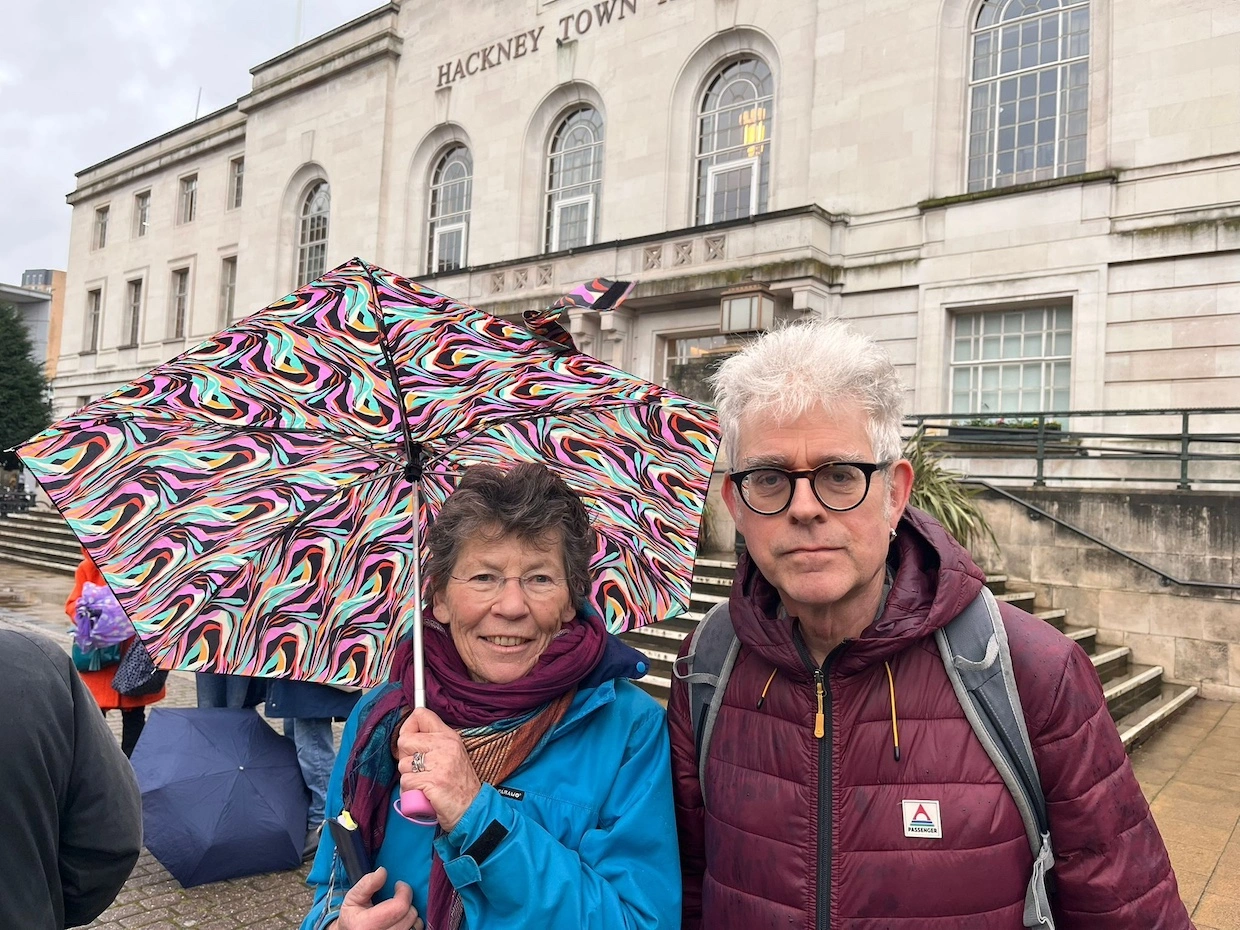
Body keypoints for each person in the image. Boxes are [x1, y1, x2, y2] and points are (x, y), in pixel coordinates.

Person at [668, 319, 1192, 929]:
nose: (804, 508)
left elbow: (1127, 908)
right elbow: (686, 893)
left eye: (839, 474)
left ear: (895, 493)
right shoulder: (705, 664)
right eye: (769, 478)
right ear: (735, 504)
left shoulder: (1031, 673)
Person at [301, 463, 680, 930]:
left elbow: (639, 921)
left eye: (540, 578)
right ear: (438, 596)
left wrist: (476, 813)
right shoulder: (380, 717)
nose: (512, 606)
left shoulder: (628, 728)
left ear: (569, 600)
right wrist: (340, 925)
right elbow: (333, 885)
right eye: (483, 577)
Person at [0, 627, 143, 929]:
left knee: (130, 720)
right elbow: (110, 838)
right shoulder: (36, 661)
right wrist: (44, 902)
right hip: (99, 669)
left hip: (117, 670)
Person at [66, 550, 165, 756]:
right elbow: (72, 605)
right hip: (98, 659)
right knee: (94, 717)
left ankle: (132, 765)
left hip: (131, 660)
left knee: (134, 717)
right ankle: (97, 764)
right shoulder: (88, 568)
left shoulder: (142, 568)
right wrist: (92, 613)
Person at [265, 679, 361, 861]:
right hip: (301, 672)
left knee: (312, 749)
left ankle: (324, 822)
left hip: (310, 673)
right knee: (302, 742)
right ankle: (317, 816)